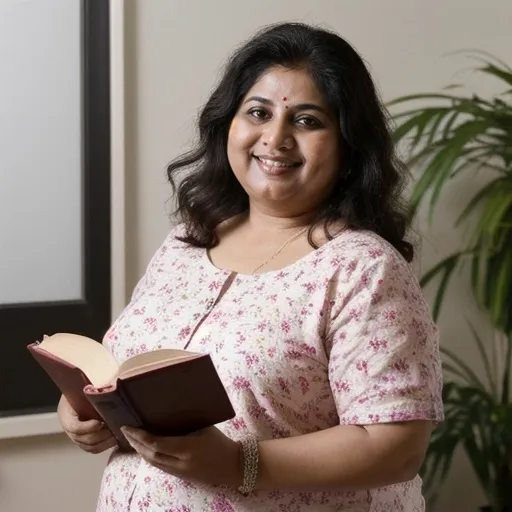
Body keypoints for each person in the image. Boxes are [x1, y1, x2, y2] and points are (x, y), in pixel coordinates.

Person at [57, 21, 444, 511]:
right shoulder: (186, 245)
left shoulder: (361, 269)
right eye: (258, 112)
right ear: (229, 127)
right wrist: (82, 412)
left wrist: (238, 463)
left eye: (307, 121)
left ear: (348, 146)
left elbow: (396, 446)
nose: (275, 138)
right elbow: (119, 372)